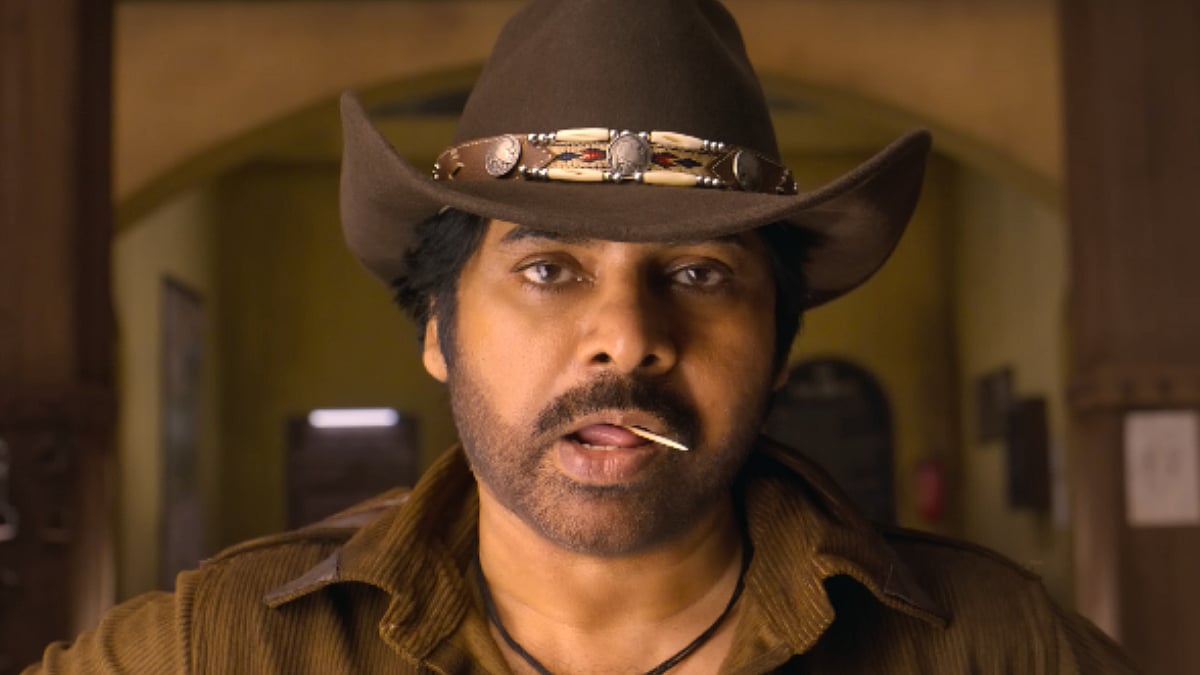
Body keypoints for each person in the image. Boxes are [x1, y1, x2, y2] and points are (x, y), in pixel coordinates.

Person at [28, 0, 1138, 673]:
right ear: (437, 329)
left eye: (699, 274)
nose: (626, 338)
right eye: (549, 270)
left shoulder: (993, 645)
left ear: (779, 345)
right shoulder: (220, 649)